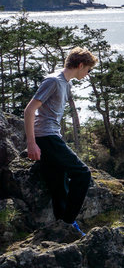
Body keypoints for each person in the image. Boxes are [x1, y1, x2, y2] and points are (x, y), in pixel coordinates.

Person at [24, 47, 98, 237]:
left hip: (50, 136)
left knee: (59, 183)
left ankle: (61, 228)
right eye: (88, 70)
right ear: (80, 65)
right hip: (46, 137)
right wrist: (31, 144)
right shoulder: (54, 81)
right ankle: (68, 222)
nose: (88, 74)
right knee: (82, 173)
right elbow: (30, 110)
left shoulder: (66, 83)